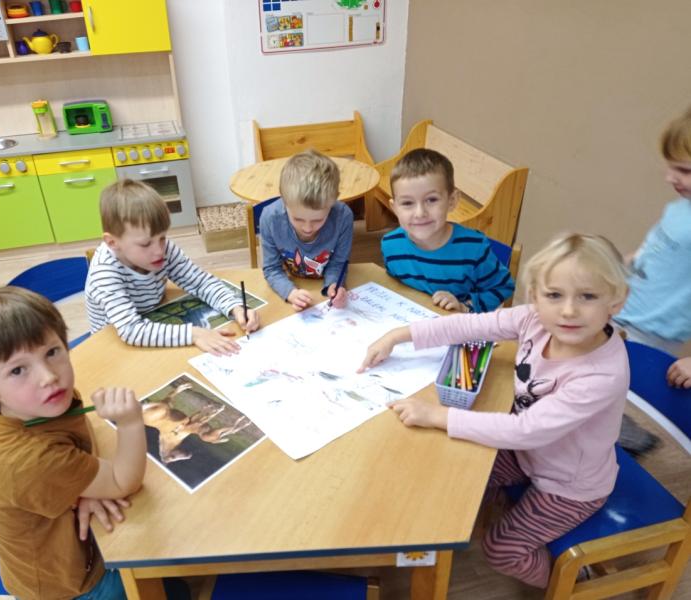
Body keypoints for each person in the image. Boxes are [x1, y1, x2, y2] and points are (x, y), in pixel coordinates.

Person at [359, 233, 629, 589]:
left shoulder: (602, 374)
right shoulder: (534, 318)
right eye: (554, 295)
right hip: (528, 455)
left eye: (588, 297)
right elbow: (469, 325)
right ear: (535, 296)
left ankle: (571, 582)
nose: (568, 310)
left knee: (501, 550)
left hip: (570, 484)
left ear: (616, 301)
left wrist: (437, 416)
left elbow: (526, 430)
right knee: (454, 473)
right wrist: (398, 335)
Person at [0, 286, 146, 599]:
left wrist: (81, 488)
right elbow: (124, 482)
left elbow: (79, 433)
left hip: (65, 541)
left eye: (52, 352)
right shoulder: (30, 458)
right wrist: (131, 424)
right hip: (69, 587)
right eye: (18, 370)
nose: (48, 376)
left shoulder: (27, 403)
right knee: (157, 573)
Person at [86, 179, 260, 355]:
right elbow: (131, 330)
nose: (159, 250)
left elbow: (200, 282)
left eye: (162, 237)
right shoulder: (105, 273)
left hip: (153, 322)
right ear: (112, 242)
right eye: (145, 244)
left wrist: (235, 307)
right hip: (113, 347)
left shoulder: (163, 248)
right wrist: (194, 334)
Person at [381, 148, 514, 312]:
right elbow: (395, 287)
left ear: (451, 201)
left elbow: (503, 287)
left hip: (460, 323)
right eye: (407, 203)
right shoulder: (390, 245)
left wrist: (464, 307)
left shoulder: (474, 248)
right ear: (394, 208)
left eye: (431, 200)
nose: (420, 213)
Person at [615, 106, 691, 390]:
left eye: (684, 170)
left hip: (649, 335)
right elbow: (652, 252)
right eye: (671, 166)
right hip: (619, 312)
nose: (670, 177)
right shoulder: (680, 208)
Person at [260, 149, 353, 311]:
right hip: (292, 285)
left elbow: (339, 263)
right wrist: (290, 292)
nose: (308, 228)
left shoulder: (343, 216)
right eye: (298, 219)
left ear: (332, 204)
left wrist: (334, 284)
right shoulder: (270, 218)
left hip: (322, 291)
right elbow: (271, 268)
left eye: (318, 220)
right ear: (284, 202)